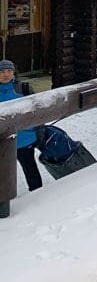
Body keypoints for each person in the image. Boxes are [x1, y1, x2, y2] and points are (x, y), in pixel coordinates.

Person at [0, 60, 42, 191]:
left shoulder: (23, 89)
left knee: (30, 169)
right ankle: (4, 204)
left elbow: (39, 111)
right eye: (2, 71)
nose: (6, 74)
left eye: (9, 71)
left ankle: (39, 198)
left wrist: (39, 130)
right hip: (2, 141)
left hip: (24, 139)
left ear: (13, 73)